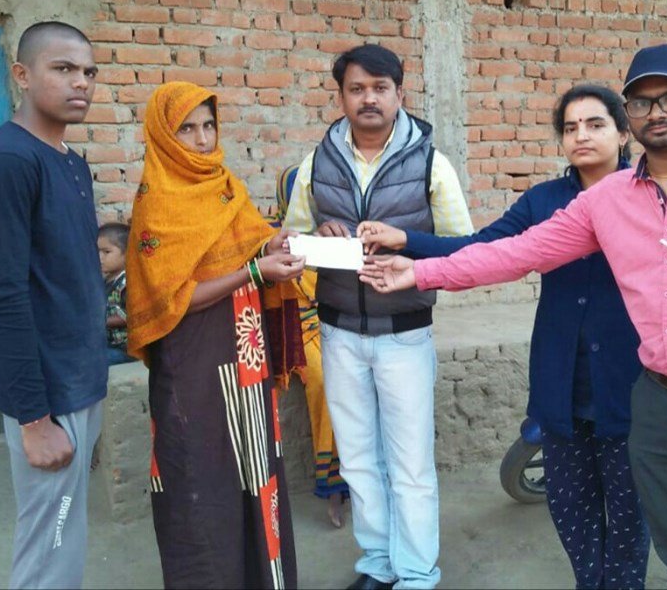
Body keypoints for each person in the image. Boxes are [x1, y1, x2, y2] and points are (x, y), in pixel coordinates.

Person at [359, 44, 667, 590]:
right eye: (642, 102)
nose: (657, 112)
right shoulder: (607, 200)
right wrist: (421, 271)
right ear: (631, 115)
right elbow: (518, 251)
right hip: (656, 405)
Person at [358, 84, 650, 588]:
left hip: (631, 377)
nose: (581, 136)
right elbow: (484, 247)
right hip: (561, 375)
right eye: (570, 128)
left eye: (595, 124)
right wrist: (407, 240)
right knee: (570, 504)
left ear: (624, 133)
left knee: (629, 511)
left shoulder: (648, 198)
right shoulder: (545, 201)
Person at [283, 44, 473, 590]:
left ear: (399, 94)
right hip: (338, 331)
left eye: (380, 88)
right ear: (341, 96)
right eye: (357, 89)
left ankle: (415, 574)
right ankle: (377, 564)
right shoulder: (316, 164)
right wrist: (316, 237)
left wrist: (404, 243)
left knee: (410, 464)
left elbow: (463, 249)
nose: (369, 98)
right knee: (360, 460)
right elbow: (289, 238)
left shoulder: (431, 164)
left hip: (404, 336)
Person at [125, 82, 307, 589]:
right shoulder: (157, 204)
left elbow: (251, 243)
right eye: (187, 129)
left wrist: (274, 242)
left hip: (246, 355)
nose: (203, 140)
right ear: (164, 135)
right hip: (195, 362)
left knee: (256, 471)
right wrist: (254, 272)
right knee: (200, 478)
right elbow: (172, 299)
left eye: (208, 125)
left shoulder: (226, 186)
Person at [0, 21, 105, 589]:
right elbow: (0, 299)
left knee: (64, 540)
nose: (81, 83)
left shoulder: (69, 160)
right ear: (22, 75)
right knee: (50, 544)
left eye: (89, 72)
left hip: (79, 381)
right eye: (63, 68)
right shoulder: (7, 162)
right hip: (47, 394)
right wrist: (33, 419)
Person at [272, 164, 351, 529]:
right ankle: (334, 486)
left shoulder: (336, 234)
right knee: (324, 381)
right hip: (298, 332)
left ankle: (367, 478)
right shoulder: (273, 238)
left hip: (338, 323)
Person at [97, 222, 134, 366]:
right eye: (97, 251)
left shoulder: (128, 283)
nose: (99, 257)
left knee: (94, 360)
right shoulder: (105, 280)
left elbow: (130, 316)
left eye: (106, 252)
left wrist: (99, 322)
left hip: (125, 348)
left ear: (127, 253)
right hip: (108, 343)